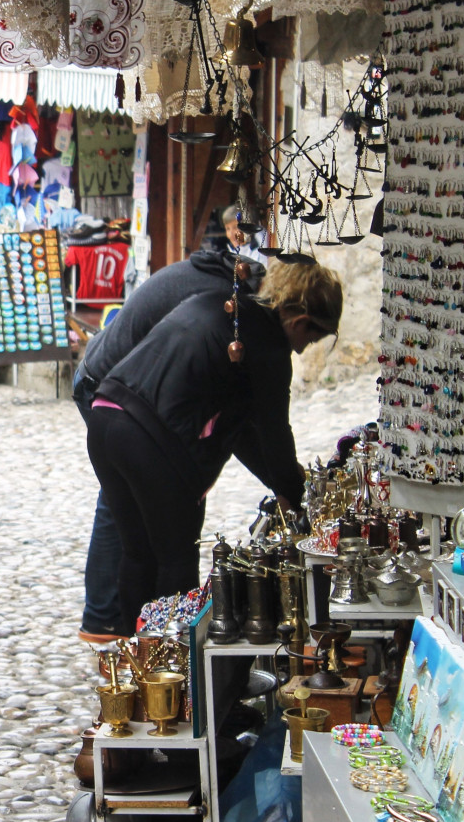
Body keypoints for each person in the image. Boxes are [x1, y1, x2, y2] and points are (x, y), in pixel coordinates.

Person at [87, 262, 341, 630]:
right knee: (176, 557)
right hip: (149, 436)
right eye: (312, 339)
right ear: (300, 321)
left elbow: (242, 434)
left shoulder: (219, 302)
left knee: (138, 552)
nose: (303, 350)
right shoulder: (268, 344)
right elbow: (272, 432)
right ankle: (176, 664)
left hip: (105, 416)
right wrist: (292, 492)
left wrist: (281, 484)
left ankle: (140, 663)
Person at [72, 250, 267, 638]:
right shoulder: (220, 302)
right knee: (132, 508)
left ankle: (116, 621)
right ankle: (120, 622)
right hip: (111, 386)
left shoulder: (201, 277)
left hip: (110, 385)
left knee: (132, 506)